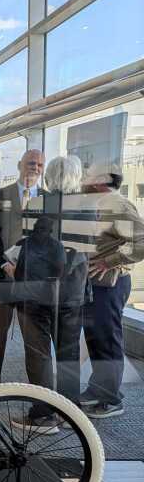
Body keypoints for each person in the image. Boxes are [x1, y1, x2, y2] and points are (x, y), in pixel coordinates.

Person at [8, 156, 88, 434]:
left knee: (39, 353)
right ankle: (70, 412)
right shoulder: (87, 209)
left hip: (38, 293)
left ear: (50, 176)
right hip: (73, 292)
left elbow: (27, 248)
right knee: (68, 352)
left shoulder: (38, 206)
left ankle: (43, 415)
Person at [77, 162, 144, 418]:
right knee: (96, 339)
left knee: (107, 339)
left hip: (111, 284)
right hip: (97, 284)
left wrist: (110, 261)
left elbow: (141, 241)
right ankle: (98, 389)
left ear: (100, 180)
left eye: (88, 175)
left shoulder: (117, 205)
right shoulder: (101, 204)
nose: (84, 179)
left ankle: (112, 399)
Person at [0, 149, 45, 388]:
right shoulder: (0, 195)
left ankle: (37, 386)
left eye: (39, 165)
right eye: (30, 163)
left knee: (33, 332)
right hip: (2, 274)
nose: (35, 168)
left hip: (31, 279)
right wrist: (7, 264)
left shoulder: (47, 199)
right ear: (19, 165)